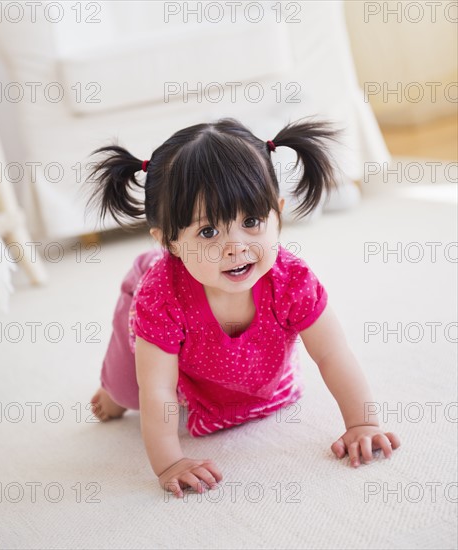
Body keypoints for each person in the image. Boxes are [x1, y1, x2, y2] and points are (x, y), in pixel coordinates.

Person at [86, 118, 401, 499]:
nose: (235, 246)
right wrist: (169, 461)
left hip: (234, 365)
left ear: (278, 213)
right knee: (128, 390)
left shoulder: (291, 279)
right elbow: (158, 389)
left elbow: (333, 353)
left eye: (251, 221)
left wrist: (362, 423)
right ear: (168, 242)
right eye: (208, 232)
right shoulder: (159, 297)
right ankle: (110, 393)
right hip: (159, 311)